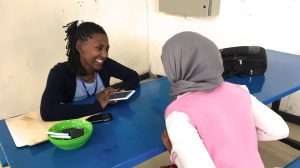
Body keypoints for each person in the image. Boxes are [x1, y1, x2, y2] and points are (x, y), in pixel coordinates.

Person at [160, 31, 289, 168]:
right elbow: (280, 130)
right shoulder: (239, 90)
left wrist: (174, 153)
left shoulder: (177, 113)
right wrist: (238, 134)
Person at [40, 20, 139, 121]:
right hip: (77, 128)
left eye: (106, 49)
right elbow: (48, 111)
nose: (105, 55)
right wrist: (96, 106)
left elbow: (133, 76)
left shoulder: (106, 65)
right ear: (79, 47)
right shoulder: (60, 73)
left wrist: (117, 92)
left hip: (105, 122)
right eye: (99, 48)